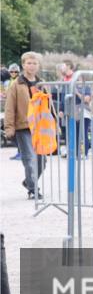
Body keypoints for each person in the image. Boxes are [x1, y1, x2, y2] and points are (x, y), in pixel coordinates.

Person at [4, 52, 48, 199]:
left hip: (40, 127)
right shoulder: (16, 84)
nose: (32, 66)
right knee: (29, 159)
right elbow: (9, 107)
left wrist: (55, 124)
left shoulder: (42, 83)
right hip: (23, 127)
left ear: (38, 65)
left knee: (42, 161)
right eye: (29, 63)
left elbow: (49, 105)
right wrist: (9, 127)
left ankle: (28, 181)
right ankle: (33, 189)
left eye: (35, 63)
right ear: (23, 65)